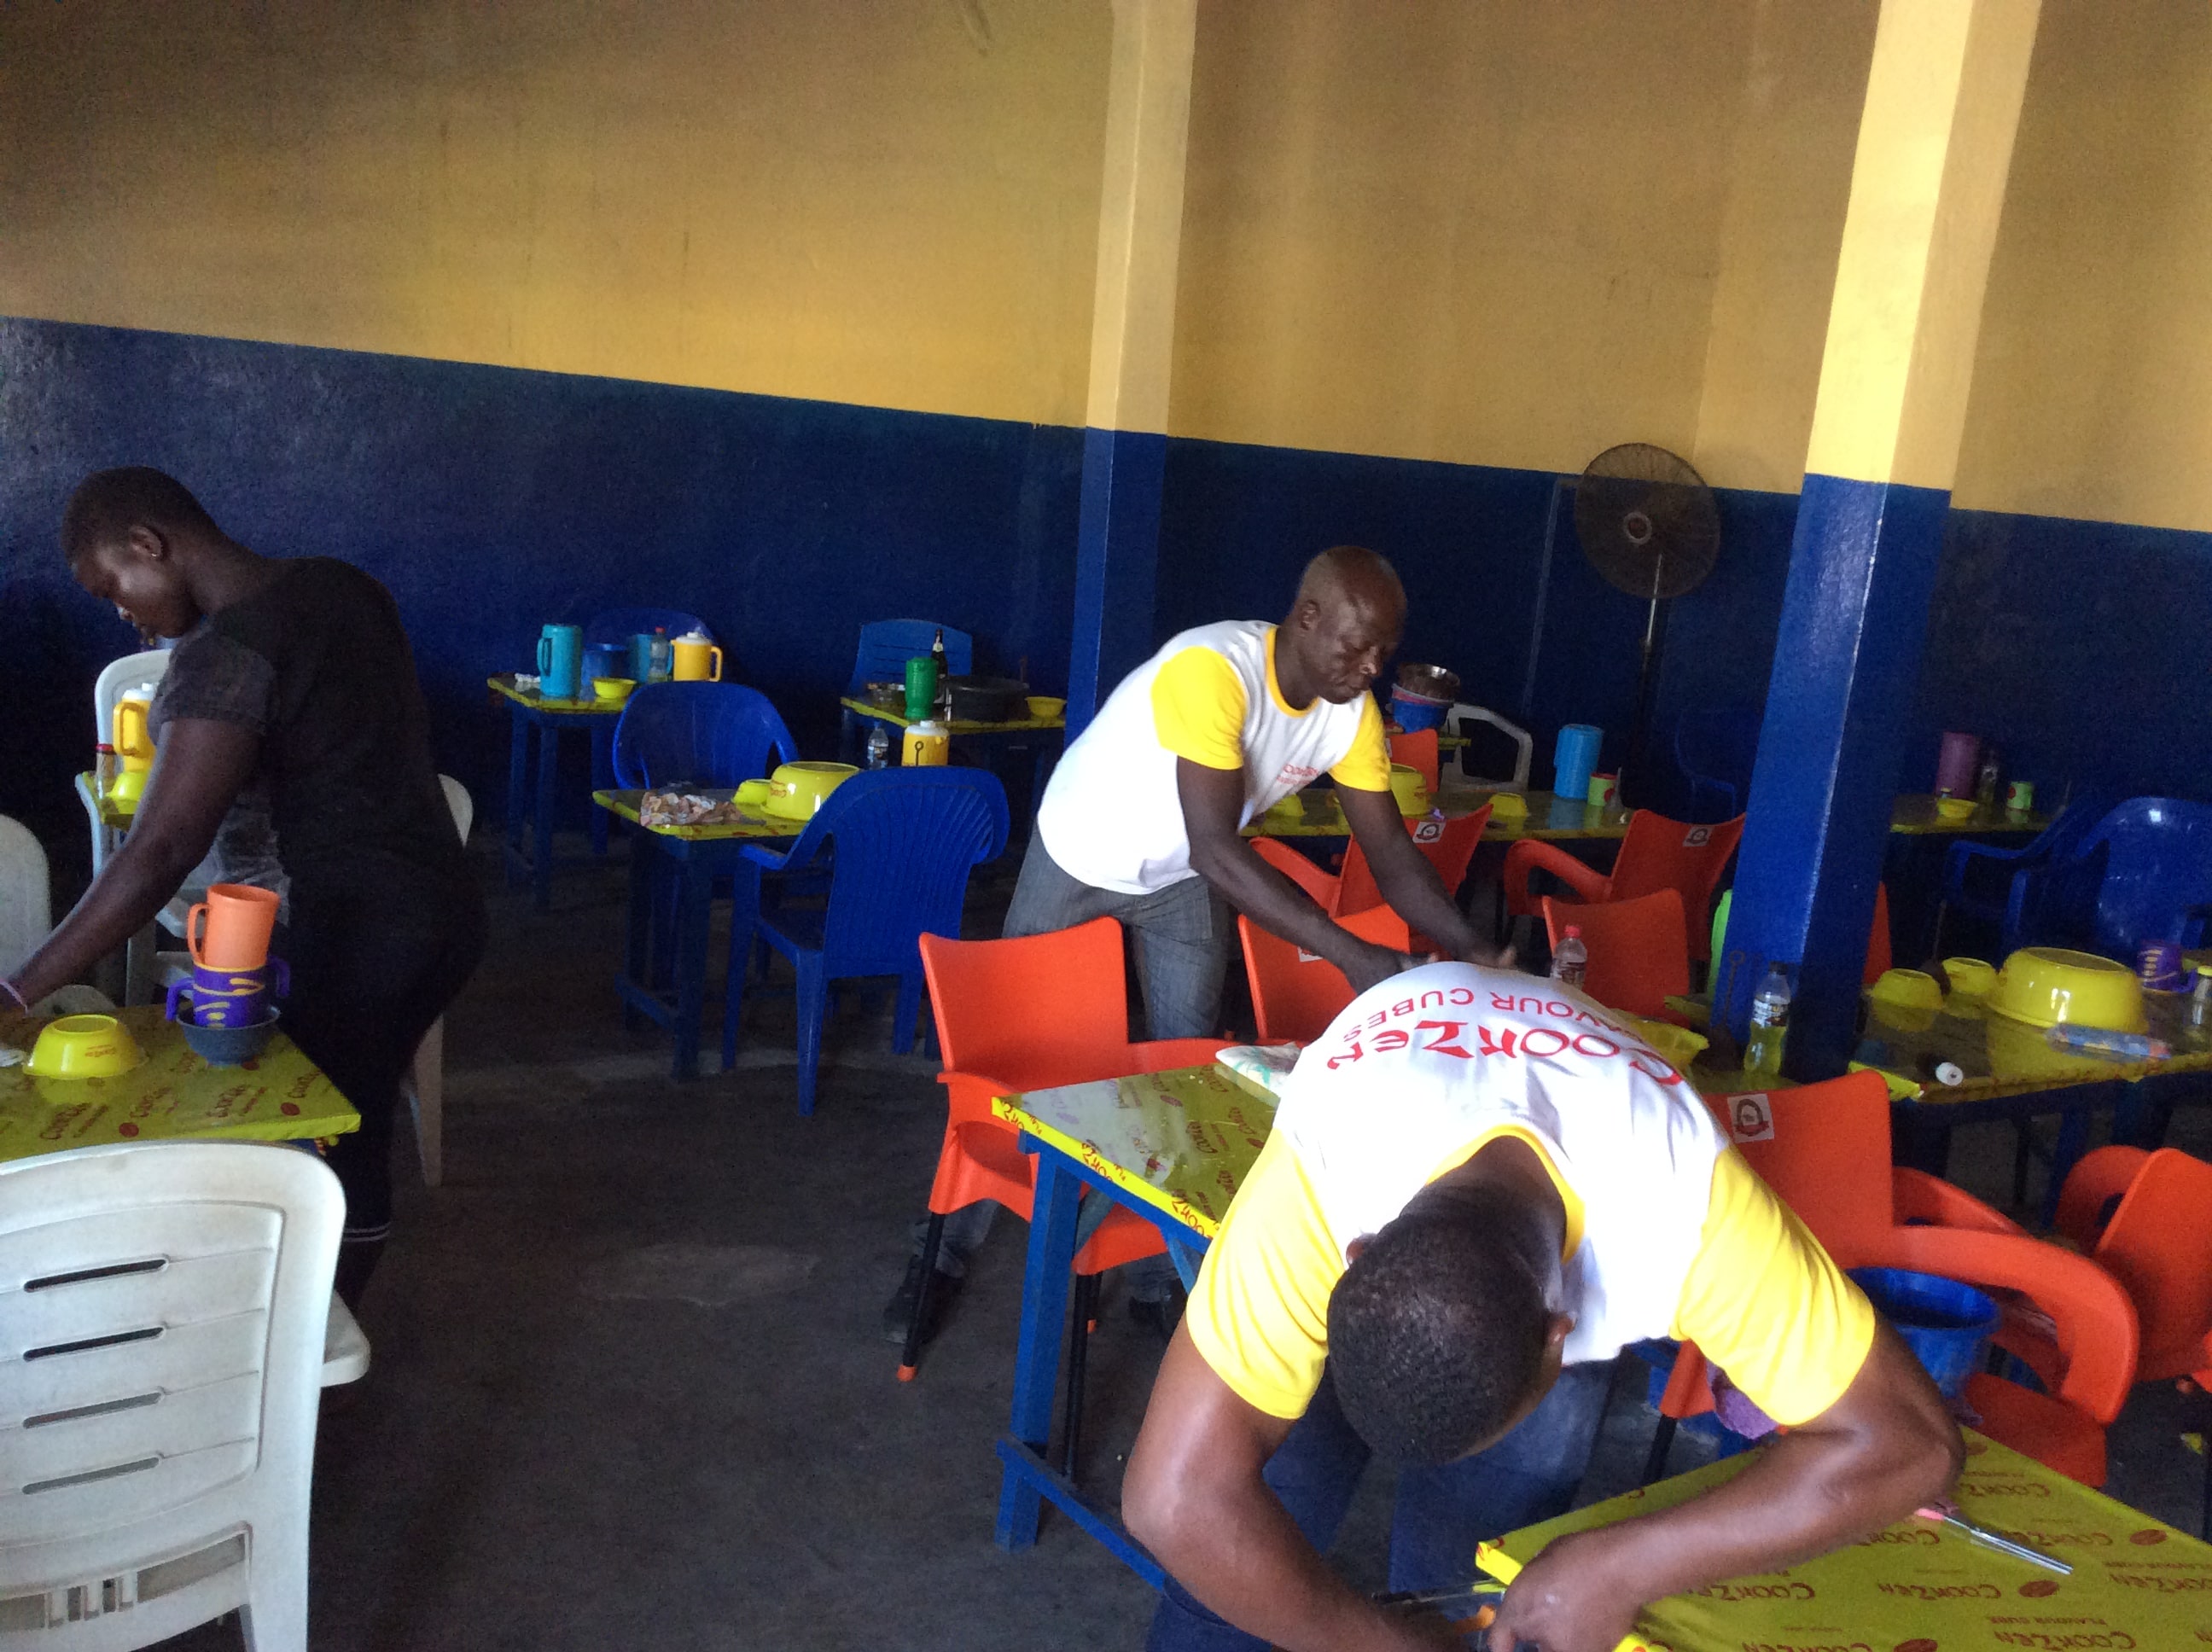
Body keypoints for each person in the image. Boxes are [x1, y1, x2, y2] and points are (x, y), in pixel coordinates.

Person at [1121, 961, 1963, 1652]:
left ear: (1563, 1339)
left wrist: (1620, 1566)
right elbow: (1174, 1502)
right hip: (1406, 1069)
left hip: (1567, 1143)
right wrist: (1373, 1643)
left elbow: (1914, 1445)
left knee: (1477, 1578)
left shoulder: (1683, 1206)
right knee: (1240, 1553)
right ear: (1356, 1256)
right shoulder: (1326, 1164)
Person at [883, 546, 1512, 1345]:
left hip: (1177, 875)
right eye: (1357, 646)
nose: (1371, 669)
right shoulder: (1214, 670)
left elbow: (1389, 854)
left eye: (1383, 652)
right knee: (1018, 1065)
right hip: (1083, 852)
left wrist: (1472, 945)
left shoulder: (1350, 714)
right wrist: (1353, 956)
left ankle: (1155, 1267)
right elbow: (1219, 849)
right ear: (1307, 618)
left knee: (1185, 1074)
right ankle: (940, 1253)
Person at [1, 468, 486, 1307]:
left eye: (113, 588)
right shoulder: (345, 587)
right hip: (443, 913)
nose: (122, 612)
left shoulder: (224, 655)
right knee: (353, 1115)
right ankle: (307, 1325)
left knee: (329, 1144)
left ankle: (311, 1342)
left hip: (351, 936)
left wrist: (16, 990)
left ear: (147, 544)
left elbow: (158, 851)